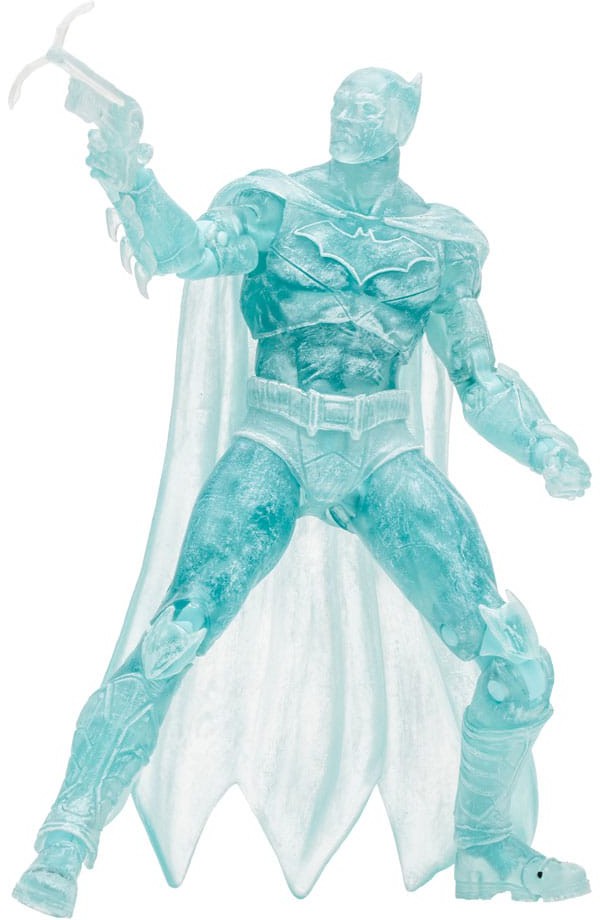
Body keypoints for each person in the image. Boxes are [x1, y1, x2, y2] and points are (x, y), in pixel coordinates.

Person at [13, 67, 591, 917]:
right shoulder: (275, 205)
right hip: (276, 434)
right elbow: (187, 252)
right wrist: (133, 177)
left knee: (513, 658)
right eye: (340, 103)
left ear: (404, 121)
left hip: (381, 445)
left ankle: (485, 845)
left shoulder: (440, 240)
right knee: (176, 630)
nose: (348, 116)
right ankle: (66, 840)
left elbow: (480, 377)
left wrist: (545, 444)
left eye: (367, 106)